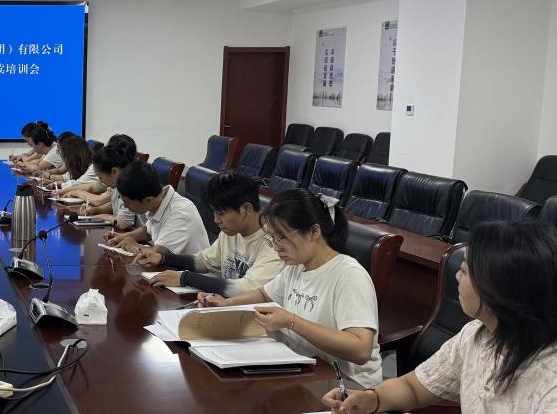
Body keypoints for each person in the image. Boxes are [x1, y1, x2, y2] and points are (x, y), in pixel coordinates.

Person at [323, 220, 557, 414]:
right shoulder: (479, 335)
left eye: (464, 270)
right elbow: (415, 387)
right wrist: (371, 398)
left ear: (498, 288)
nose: (456, 276)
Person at [203, 188, 382, 386]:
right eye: (272, 238)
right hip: (307, 372)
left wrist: (291, 321)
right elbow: (264, 294)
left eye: (282, 238)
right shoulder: (297, 265)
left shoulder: (349, 275)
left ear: (314, 232)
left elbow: (360, 349)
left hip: (347, 386)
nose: (276, 247)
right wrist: (227, 303)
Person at [138, 170, 282, 295]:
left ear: (246, 209)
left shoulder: (276, 243)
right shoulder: (232, 231)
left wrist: (184, 278)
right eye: (214, 213)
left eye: (221, 214)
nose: (216, 220)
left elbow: (245, 288)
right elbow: (204, 261)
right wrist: (162, 258)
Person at [106, 161, 209, 256]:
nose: (125, 206)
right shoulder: (157, 202)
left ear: (148, 200)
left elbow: (157, 254)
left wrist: (134, 246)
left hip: (189, 269)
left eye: (127, 202)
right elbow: (148, 231)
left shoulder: (179, 213)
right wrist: (124, 237)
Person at [63, 144, 139, 230]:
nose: (100, 181)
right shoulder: (116, 184)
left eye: (100, 177)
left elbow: (123, 223)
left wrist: (102, 216)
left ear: (114, 172)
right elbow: (115, 205)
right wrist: (95, 210)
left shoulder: (128, 186)